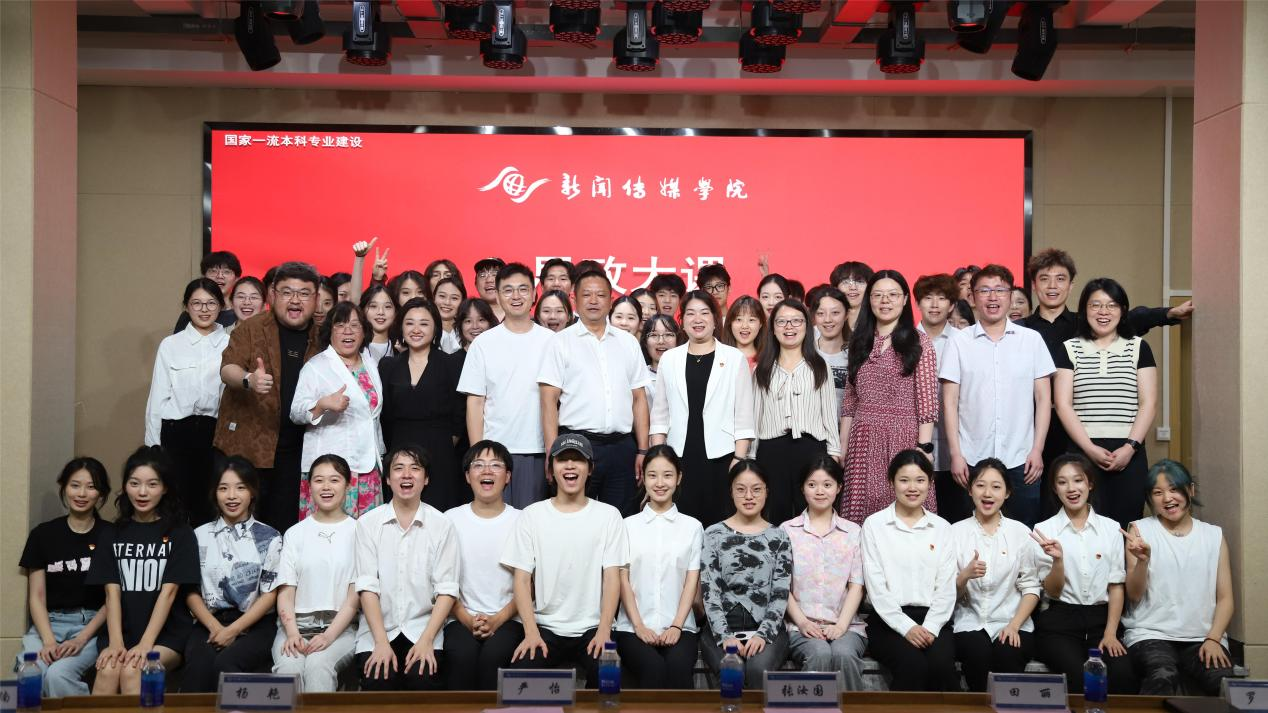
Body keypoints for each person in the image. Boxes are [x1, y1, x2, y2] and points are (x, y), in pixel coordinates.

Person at [1021, 248, 1191, 507]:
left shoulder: (1085, 323)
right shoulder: (1021, 331)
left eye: (1060, 278)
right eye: (1044, 279)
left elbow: (1131, 317)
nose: (1052, 286)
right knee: (1050, 511)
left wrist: (1167, 314)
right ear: (1034, 285)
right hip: (1037, 434)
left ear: (1071, 285)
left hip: (1079, 436)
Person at [503, 434, 630, 688]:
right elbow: (522, 579)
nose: (570, 465)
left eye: (578, 460)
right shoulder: (532, 515)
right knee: (518, 682)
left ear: (590, 468)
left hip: (593, 627)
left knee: (610, 680)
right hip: (545, 626)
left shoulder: (609, 516)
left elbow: (612, 578)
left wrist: (604, 629)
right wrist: (530, 631)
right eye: (562, 460)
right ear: (551, 469)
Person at [940, 264, 1055, 528]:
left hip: (1022, 459)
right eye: (985, 290)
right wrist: (955, 454)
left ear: (1010, 295)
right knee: (970, 533)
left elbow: (1043, 399)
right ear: (972, 297)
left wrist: (1037, 450)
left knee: (1023, 534)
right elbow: (949, 402)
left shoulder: (1032, 340)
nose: (993, 297)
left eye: (1000, 290)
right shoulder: (959, 341)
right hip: (971, 458)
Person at [217, 262, 323, 532]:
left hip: (299, 451)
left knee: (286, 528)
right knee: (242, 527)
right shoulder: (252, 328)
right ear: (273, 295)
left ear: (316, 298)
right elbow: (227, 369)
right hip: (250, 448)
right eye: (287, 292)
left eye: (304, 293)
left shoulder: (322, 334)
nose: (295, 300)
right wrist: (248, 379)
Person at [89, 447, 200, 695]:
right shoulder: (112, 534)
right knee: (108, 669)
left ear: (165, 488)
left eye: (152, 484)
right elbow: (111, 594)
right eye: (134, 483)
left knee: (134, 669)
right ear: (125, 486)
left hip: (166, 636)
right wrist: (116, 642)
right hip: (121, 630)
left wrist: (146, 644)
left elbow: (169, 594)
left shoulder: (180, 533)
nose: (142, 492)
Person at [539, 270, 650, 517]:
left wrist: (643, 450)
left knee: (622, 519)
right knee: (573, 516)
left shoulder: (628, 342)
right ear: (575, 300)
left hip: (622, 447)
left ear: (610, 300)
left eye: (600, 295)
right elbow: (548, 401)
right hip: (575, 446)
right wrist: (551, 452)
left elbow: (639, 399)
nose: (593, 300)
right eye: (586, 294)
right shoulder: (560, 342)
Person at [1123, 460, 1235, 696]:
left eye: (1174, 489)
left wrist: (1214, 639)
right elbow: (1133, 595)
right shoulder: (1139, 531)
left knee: (1224, 683)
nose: (1167, 498)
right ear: (1150, 498)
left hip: (1203, 636)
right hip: (1150, 633)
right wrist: (1142, 561)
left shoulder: (1213, 535)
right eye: (1158, 492)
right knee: (1162, 675)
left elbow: (1225, 598)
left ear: (1190, 490)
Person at [355, 445, 461, 691]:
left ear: (426, 479)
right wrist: (381, 643)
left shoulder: (442, 525)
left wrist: (426, 640)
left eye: (415, 468)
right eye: (398, 468)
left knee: (422, 678)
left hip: (424, 629)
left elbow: (447, 590)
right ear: (387, 479)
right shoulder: (367, 524)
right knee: (378, 678)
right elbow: (367, 586)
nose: (406, 475)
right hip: (378, 631)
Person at [1054, 278, 1158, 529]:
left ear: (1122, 310)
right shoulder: (1069, 349)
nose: (1103, 312)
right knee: (1082, 524)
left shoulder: (1139, 347)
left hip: (1129, 451)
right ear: (1084, 309)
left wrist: (1130, 447)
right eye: (1095, 305)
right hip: (1082, 450)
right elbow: (1062, 404)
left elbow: (1148, 403)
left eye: (1111, 305)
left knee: (1127, 523)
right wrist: (1088, 448)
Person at [1032, 454, 1136, 695]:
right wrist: (1058, 560)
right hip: (1060, 621)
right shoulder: (1044, 530)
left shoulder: (1111, 528)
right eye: (1062, 482)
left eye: (1078, 480)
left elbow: (1116, 585)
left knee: (1123, 675)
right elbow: (1053, 591)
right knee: (1079, 678)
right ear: (1055, 489)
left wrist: (1110, 633)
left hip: (1102, 620)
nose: (1071, 488)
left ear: (1090, 483)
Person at [840, 270, 938, 524]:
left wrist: (924, 448)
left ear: (905, 299)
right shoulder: (859, 342)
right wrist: (843, 448)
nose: (885, 301)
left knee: (904, 511)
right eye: (878, 295)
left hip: (904, 437)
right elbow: (850, 401)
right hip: (862, 439)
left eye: (893, 295)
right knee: (860, 514)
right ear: (869, 300)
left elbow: (927, 401)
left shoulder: (920, 343)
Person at [650, 292, 755, 525]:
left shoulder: (733, 358)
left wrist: (739, 458)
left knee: (719, 523)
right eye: (690, 314)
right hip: (678, 457)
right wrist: (657, 458)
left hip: (722, 457)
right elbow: (659, 415)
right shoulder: (670, 358)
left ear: (715, 319)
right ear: (682, 321)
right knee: (680, 523)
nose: (697, 319)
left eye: (704, 313)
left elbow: (744, 416)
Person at [860, 450, 959, 692]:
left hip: (934, 618)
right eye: (904, 480)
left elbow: (946, 587)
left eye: (920, 480)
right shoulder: (874, 525)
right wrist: (907, 628)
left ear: (930, 483)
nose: (912, 488)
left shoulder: (942, 528)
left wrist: (931, 627)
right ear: (891, 482)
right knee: (912, 665)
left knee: (942, 667)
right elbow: (876, 587)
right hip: (888, 620)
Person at [459, 264, 556, 509]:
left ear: (534, 294)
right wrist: (478, 455)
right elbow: (475, 403)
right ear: (499, 295)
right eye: (508, 290)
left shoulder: (552, 342)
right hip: (494, 452)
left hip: (537, 450)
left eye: (523, 289)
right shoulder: (483, 343)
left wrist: (552, 450)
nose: (516, 296)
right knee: (494, 520)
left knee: (531, 522)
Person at [183, 458, 282, 692]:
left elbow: (270, 594)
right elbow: (190, 590)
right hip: (208, 622)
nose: (231, 496)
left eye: (240, 488)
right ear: (214, 493)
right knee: (199, 665)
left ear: (252, 492)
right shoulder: (198, 536)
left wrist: (233, 630)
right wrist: (216, 628)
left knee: (227, 663)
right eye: (223, 488)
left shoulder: (270, 537)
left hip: (256, 624)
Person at [17, 458, 113, 697]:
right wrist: (49, 641)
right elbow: (37, 597)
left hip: (91, 626)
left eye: (91, 487)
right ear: (64, 487)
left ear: (101, 493)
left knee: (58, 675)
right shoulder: (42, 535)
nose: (81, 494)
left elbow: (112, 599)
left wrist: (81, 639)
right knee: (29, 673)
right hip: (48, 624)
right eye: (75, 485)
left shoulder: (110, 535)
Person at [949, 459, 1042, 691]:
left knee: (1008, 653)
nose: (987, 493)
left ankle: (1010, 706)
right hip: (969, 621)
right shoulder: (954, 533)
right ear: (970, 490)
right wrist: (964, 576)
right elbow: (945, 595)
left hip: (1012, 620)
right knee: (976, 655)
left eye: (996, 487)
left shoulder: (1020, 533)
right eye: (980, 485)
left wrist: (1014, 625)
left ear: (1007, 492)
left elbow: (1031, 587)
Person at [615, 445, 704, 689]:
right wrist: (639, 626)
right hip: (632, 628)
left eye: (667, 475)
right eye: (652, 475)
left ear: (679, 478)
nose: (660, 483)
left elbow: (691, 582)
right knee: (652, 668)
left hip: (681, 626)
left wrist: (676, 625)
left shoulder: (693, 527)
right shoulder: (627, 526)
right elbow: (623, 580)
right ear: (643, 478)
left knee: (678, 669)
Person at [272, 455, 360, 693]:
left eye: (334, 480)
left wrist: (329, 636)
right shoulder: (295, 533)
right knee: (288, 668)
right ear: (309, 486)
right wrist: (292, 633)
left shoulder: (359, 532)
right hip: (295, 626)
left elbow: (354, 597)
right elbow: (286, 592)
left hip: (341, 628)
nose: (326, 487)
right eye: (319, 480)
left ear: (348, 485)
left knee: (318, 666)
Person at [145, 277, 229, 524]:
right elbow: (158, 397)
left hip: (214, 435)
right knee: (175, 506)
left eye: (211, 303)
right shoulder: (171, 345)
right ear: (186, 306)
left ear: (221, 306)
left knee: (210, 506)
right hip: (176, 433)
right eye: (196, 303)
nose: (204, 309)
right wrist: (153, 446)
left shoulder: (231, 343)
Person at [701, 460, 792, 687]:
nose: (749, 496)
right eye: (741, 489)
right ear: (731, 492)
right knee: (731, 670)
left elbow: (781, 592)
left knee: (758, 670)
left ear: (766, 492)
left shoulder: (779, 536)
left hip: (766, 626)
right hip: (721, 626)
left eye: (756, 489)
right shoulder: (713, 534)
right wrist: (725, 636)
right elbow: (710, 591)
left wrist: (763, 634)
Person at [780, 456, 868, 690]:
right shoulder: (787, 530)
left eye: (827, 484)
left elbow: (856, 586)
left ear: (838, 488)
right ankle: (812, 707)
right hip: (800, 625)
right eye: (812, 484)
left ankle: (852, 707)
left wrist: (840, 626)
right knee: (819, 653)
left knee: (843, 655)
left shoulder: (853, 532)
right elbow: (781, 585)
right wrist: (802, 622)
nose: (820, 491)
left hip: (846, 624)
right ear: (802, 488)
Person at [442, 441, 524, 690]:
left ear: (508, 476)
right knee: (461, 657)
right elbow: (442, 580)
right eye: (478, 465)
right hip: (460, 617)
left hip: (509, 618)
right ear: (468, 476)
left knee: (494, 658)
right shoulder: (449, 520)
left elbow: (529, 584)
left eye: (496, 465)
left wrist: (497, 619)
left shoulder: (522, 520)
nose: (487, 471)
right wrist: (467, 619)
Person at [290, 301, 384, 520]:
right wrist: (321, 405)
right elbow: (296, 412)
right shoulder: (316, 366)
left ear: (364, 331)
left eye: (355, 325)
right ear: (329, 332)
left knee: (366, 534)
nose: (348, 331)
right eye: (340, 325)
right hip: (331, 469)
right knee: (329, 531)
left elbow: (373, 416)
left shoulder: (370, 362)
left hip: (368, 466)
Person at [754, 300, 841, 525]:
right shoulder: (762, 368)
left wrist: (834, 452)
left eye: (796, 321)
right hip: (771, 450)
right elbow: (755, 416)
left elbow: (829, 413)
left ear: (807, 326)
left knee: (811, 514)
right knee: (775, 512)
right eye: (782, 321)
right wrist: (750, 457)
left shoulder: (820, 366)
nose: (789, 327)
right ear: (773, 328)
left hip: (811, 449)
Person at [378, 298, 465, 512]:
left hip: (441, 450)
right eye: (409, 323)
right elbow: (385, 415)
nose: (416, 329)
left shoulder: (452, 363)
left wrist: (445, 442)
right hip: (399, 450)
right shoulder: (388, 365)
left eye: (424, 323)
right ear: (401, 327)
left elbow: (459, 412)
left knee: (440, 513)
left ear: (435, 328)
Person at [914, 274, 969, 523]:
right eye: (928, 298)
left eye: (942, 298)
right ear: (918, 303)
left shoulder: (963, 341)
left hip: (955, 444)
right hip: (914, 439)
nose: (935, 304)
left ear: (952, 304)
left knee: (956, 515)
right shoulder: (904, 340)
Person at [173, 250, 240, 333]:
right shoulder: (192, 313)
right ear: (204, 276)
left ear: (237, 279)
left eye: (226, 272)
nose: (220, 276)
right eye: (213, 271)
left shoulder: (242, 313)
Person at [811, 287, 849, 415]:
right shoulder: (805, 352)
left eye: (835, 313)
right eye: (821, 313)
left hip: (845, 426)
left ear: (846, 315)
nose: (828, 319)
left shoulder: (856, 355)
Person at [638, 314, 684, 412]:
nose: (661, 341)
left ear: (678, 340)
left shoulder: (686, 374)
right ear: (645, 342)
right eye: (654, 335)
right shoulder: (639, 377)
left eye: (668, 334)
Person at [721, 295, 766, 370]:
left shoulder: (768, 361)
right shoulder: (719, 358)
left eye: (751, 320)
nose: (744, 326)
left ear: (760, 324)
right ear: (730, 323)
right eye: (739, 319)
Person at [829, 261, 874, 336]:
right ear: (835, 288)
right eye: (846, 282)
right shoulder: (825, 320)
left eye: (860, 281)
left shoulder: (879, 320)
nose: (853, 287)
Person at [360, 284, 398, 364]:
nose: (380, 312)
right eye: (373, 306)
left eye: (387, 307)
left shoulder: (400, 349)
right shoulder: (355, 346)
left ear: (395, 312)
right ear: (363, 310)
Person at [434, 277, 467, 354]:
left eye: (454, 298)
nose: (447, 302)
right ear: (434, 298)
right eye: (442, 296)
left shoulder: (468, 329)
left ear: (463, 302)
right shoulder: (424, 328)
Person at [474, 257, 507, 322]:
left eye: (495, 274)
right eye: (482, 275)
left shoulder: (520, 315)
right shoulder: (468, 317)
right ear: (476, 284)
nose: (489, 280)